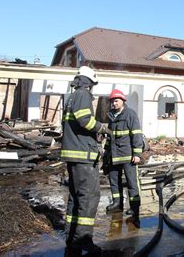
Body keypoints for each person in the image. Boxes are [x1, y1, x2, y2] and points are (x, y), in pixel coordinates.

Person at [61, 66, 109, 255]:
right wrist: (101, 128)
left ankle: (72, 236)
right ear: (89, 82)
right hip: (83, 155)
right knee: (89, 197)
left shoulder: (71, 97)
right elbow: (84, 121)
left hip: (73, 153)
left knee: (75, 195)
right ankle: (83, 240)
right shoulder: (82, 95)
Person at [104, 89, 144, 228]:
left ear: (123, 101)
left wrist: (137, 154)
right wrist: (106, 154)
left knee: (132, 183)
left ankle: (134, 208)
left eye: (116, 101)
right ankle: (117, 203)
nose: (113, 103)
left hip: (128, 156)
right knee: (114, 181)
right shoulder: (111, 116)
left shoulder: (130, 114)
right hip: (114, 156)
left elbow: (137, 134)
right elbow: (109, 137)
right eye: (112, 101)